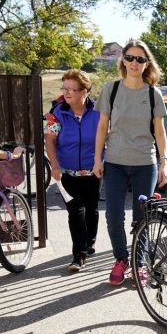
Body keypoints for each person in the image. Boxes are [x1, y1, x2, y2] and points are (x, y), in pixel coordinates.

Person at [92, 40, 167, 286]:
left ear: (147, 64)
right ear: (123, 60)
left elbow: (159, 132)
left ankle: (140, 263)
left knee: (142, 218)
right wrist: (97, 159)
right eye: (130, 57)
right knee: (114, 217)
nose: (135, 63)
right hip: (114, 162)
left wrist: (164, 162)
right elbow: (102, 126)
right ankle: (121, 259)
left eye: (140, 59)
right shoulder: (111, 89)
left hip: (145, 164)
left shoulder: (152, 93)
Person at [45, 69, 101, 271]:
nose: (66, 92)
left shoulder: (99, 112)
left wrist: (100, 162)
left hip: (93, 171)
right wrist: (55, 164)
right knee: (76, 212)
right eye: (64, 88)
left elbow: (106, 137)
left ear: (85, 91)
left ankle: (90, 241)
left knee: (92, 209)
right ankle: (79, 256)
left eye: (71, 89)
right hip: (67, 173)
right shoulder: (58, 113)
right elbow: (50, 141)